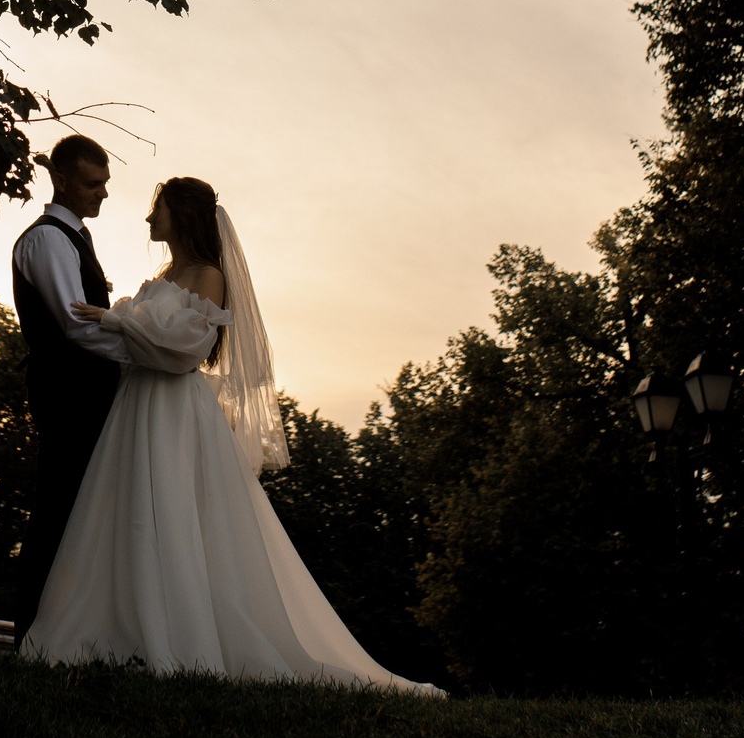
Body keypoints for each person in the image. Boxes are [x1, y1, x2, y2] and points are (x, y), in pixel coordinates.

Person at [22, 175, 441, 694]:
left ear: (184, 216)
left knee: (176, 512)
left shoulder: (208, 276)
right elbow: (155, 340)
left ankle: (181, 637)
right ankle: (119, 629)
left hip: (173, 409)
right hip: (137, 405)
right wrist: (122, 325)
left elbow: (189, 350)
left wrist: (119, 321)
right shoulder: (167, 273)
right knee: (127, 511)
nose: (150, 219)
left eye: (160, 210)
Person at [7, 135, 124, 643]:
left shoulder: (74, 237)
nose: (102, 193)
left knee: (83, 511)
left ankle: (70, 634)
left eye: (105, 184)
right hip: (67, 394)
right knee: (58, 509)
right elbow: (77, 326)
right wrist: (148, 351)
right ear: (60, 179)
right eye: (91, 183)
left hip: (88, 392)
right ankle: (31, 633)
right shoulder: (50, 239)